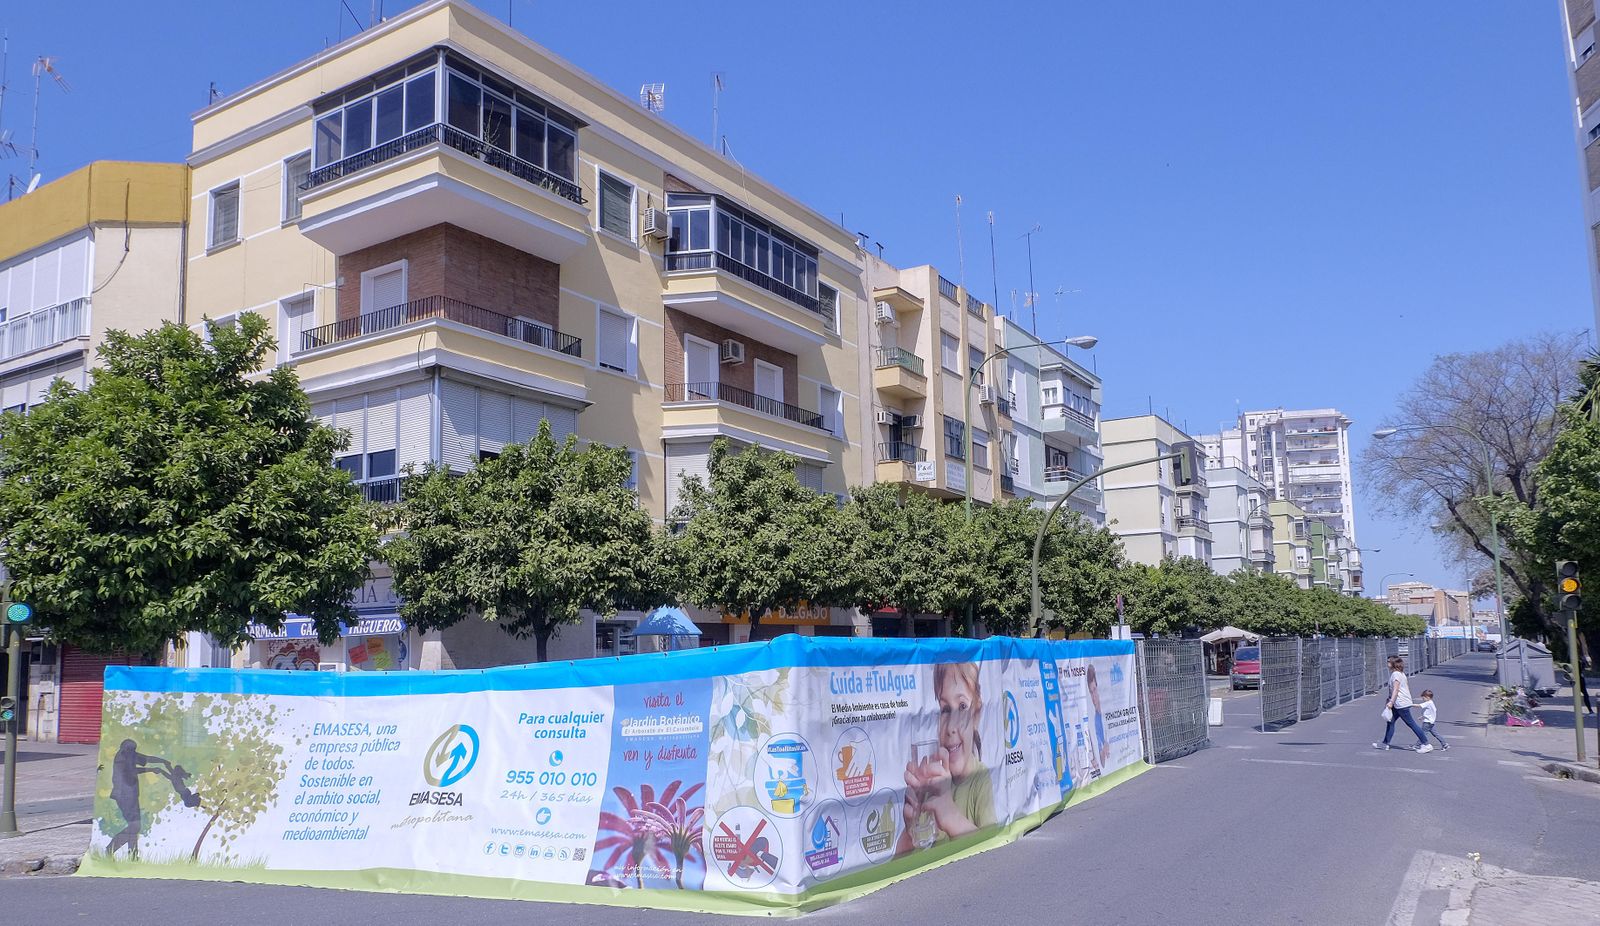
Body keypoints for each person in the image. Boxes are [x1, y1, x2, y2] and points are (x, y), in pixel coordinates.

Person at [897, 663, 997, 854]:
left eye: (962, 707)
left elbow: (992, 847)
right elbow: (895, 869)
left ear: (976, 714)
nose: (951, 727)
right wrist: (909, 833)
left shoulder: (979, 778)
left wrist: (950, 815)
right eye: (945, 709)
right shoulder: (932, 781)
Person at [1374, 656, 1432, 753]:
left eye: (1389, 661)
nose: (1387, 663)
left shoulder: (1396, 674)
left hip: (1400, 703)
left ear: (1394, 663)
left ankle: (1426, 744)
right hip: (1399, 702)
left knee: (1411, 724)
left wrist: (1391, 702)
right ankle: (1385, 743)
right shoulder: (1400, 674)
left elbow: (1396, 689)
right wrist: (1390, 700)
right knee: (1390, 722)